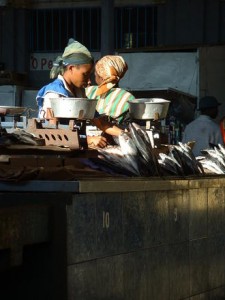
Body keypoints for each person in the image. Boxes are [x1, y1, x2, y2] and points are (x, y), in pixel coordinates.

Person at [36, 38, 123, 148]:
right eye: (85, 75)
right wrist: (87, 140)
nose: (89, 81)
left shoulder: (79, 92)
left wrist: (126, 135)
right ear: (71, 68)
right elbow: (51, 133)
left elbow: (100, 122)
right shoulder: (53, 93)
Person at [85, 55, 135, 126]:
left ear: (102, 76)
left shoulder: (89, 92)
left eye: (95, 72)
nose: (94, 74)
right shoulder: (128, 97)